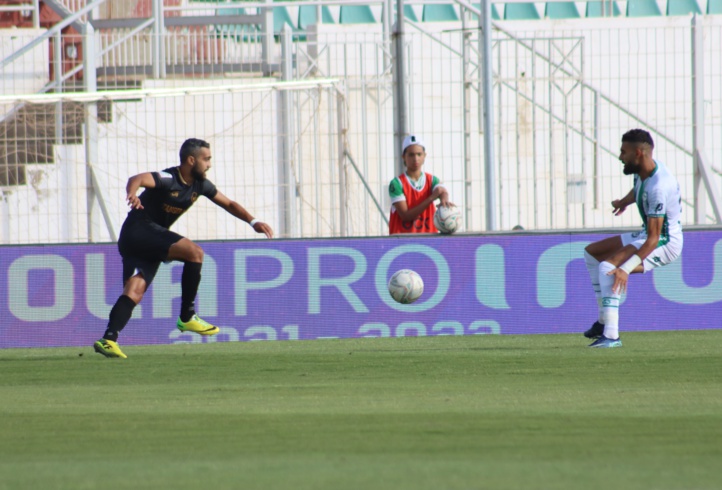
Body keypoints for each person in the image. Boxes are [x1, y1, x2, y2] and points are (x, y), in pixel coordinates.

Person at [94, 138, 274, 359]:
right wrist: (132, 193)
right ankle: (187, 315)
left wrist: (253, 222)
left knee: (134, 291)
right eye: (206, 159)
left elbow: (228, 204)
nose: (209, 164)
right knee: (195, 252)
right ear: (191, 160)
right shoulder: (170, 178)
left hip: (144, 242)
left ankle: (108, 339)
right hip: (138, 230)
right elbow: (138, 179)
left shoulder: (201, 185)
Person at [582, 129, 683, 348]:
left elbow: (655, 239)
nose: (620, 157)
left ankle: (611, 335)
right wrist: (624, 202)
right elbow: (638, 188)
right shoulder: (644, 171)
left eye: (623, 152)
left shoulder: (659, 187)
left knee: (608, 268)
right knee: (592, 253)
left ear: (638, 153)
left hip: (665, 243)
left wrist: (626, 269)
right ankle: (602, 322)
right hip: (648, 235)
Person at [388, 134, 453, 234]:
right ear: (403, 157)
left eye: (419, 154)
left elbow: (442, 191)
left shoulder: (432, 180)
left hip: (429, 241)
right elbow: (405, 216)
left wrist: (444, 200)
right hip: (401, 242)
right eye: (411, 154)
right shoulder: (396, 183)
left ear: (424, 156)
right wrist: (431, 198)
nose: (415, 158)